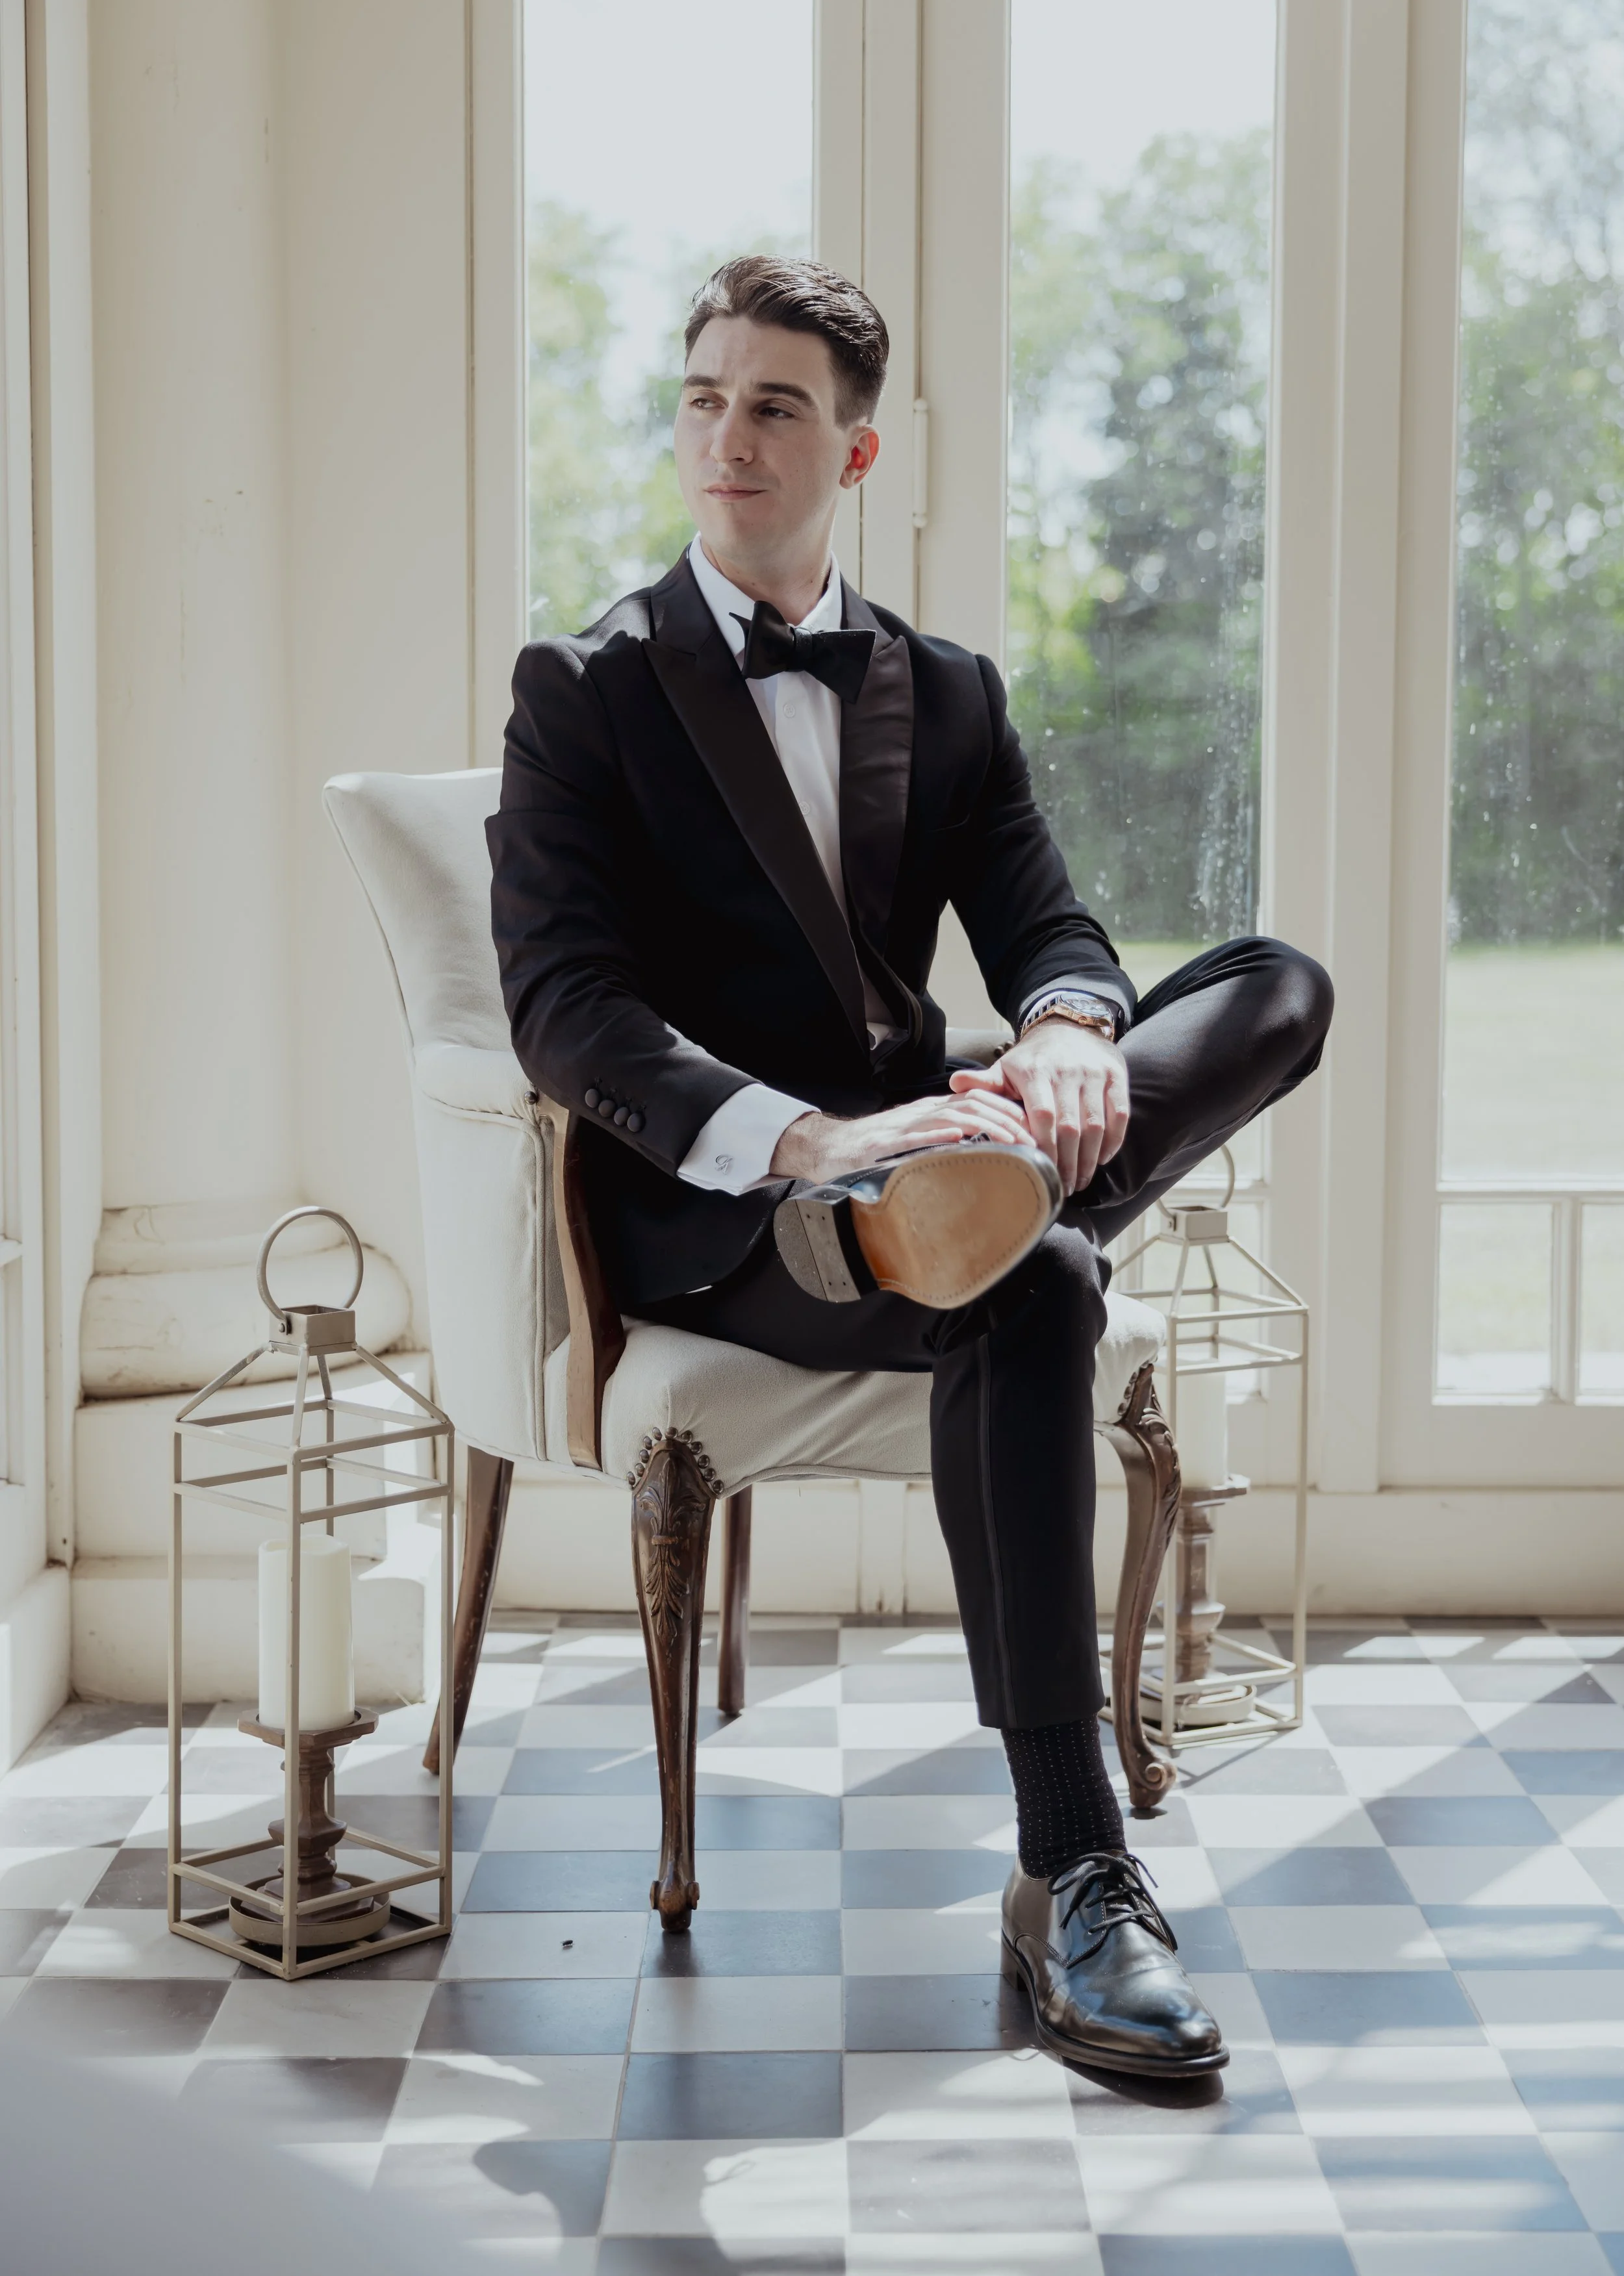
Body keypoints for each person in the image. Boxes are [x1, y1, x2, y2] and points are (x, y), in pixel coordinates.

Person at [489, 256, 1332, 2080]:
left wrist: (1059, 1030)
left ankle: (983, 1192)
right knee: (1036, 1278)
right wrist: (817, 1138)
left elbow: (1049, 919)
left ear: (852, 454)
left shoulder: (941, 690)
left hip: (936, 1151)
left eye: (775, 403)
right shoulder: (581, 689)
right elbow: (567, 1011)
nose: (729, 434)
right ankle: (1072, 1863)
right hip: (737, 1208)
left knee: (1275, 986)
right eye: (705, 395)